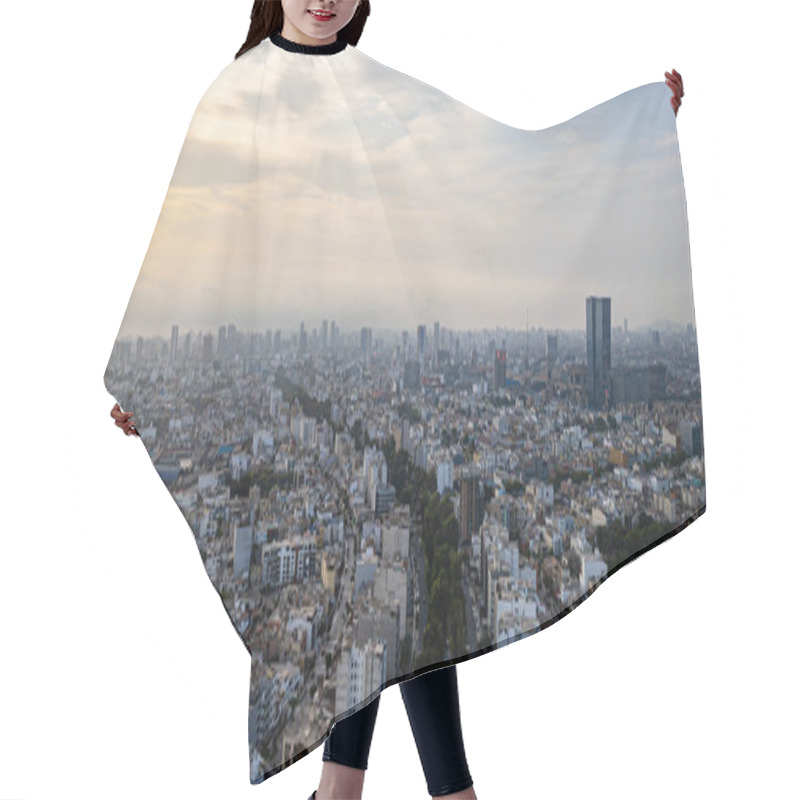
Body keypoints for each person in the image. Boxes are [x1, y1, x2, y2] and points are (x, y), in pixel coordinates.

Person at [110, 2, 685, 798]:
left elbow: (491, 172)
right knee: (388, 591)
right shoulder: (236, 94)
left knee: (389, 590)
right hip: (293, 393)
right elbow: (196, 251)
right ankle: (426, 792)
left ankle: (354, 791)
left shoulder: (373, 88)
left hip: (355, 390)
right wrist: (153, 387)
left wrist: (638, 131)